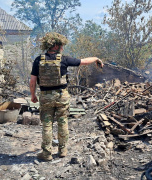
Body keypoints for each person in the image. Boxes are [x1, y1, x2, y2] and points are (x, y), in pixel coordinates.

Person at [29, 32, 103, 161]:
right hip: (61, 96)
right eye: (61, 45)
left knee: (47, 124)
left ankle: (46, 153)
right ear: (56, 46)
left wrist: (33, 95)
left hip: (46, 96)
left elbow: (32, 81)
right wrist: (96, 58)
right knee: (63, 122)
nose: (63, 47)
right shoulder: (64, 59)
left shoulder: (38, 60)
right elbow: (84, 61)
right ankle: (62, 150)